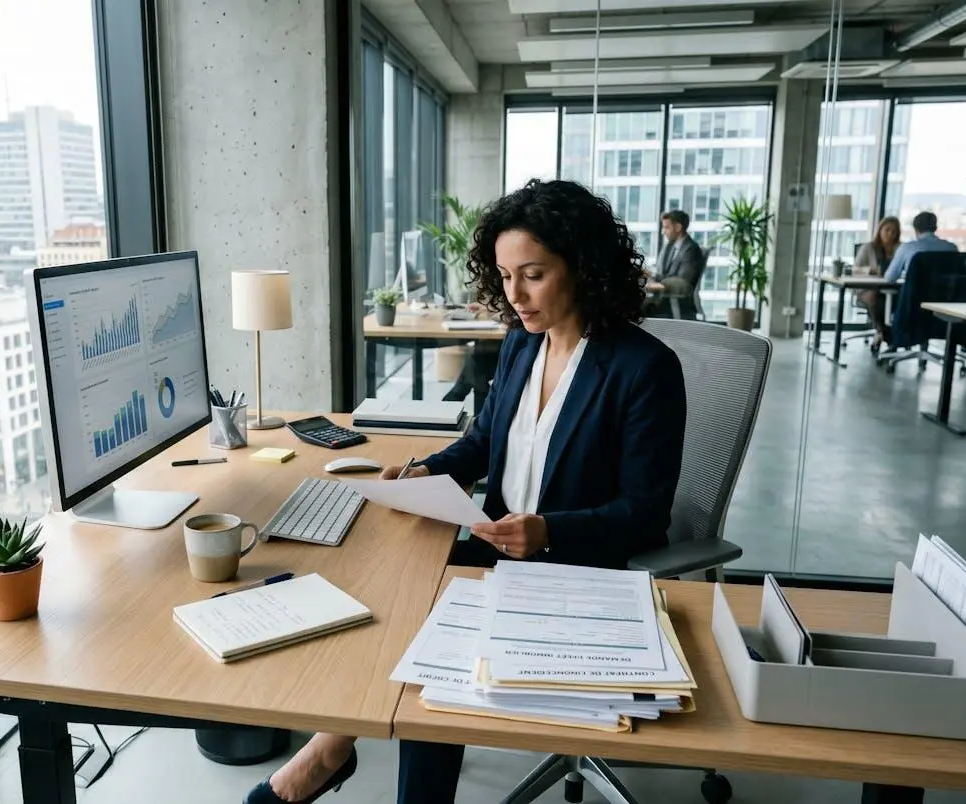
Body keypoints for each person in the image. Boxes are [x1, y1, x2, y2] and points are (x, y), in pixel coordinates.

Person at [244, 179, 687, 804]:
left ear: (582, 268)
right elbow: (482, 444)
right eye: (505, 276)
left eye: (532, 274)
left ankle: (323, 757)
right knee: (394, 594)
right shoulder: (521, 342)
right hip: (501, 550)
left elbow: (645, 515)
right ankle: (330, 745)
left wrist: (549, 529)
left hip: (580, 568)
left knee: (439, 659)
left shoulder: (644, 369)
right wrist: (426, 470)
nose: (516, 294)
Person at [852, 216, 902, 347]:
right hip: (867, 289)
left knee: (903, 298)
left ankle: (887, 333)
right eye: (887, 230)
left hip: (892, 288)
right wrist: (870, 270)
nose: (890, 234)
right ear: (880, 230)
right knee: (874, 296)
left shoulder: (900, 249)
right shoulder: (868, 247)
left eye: (894, 232)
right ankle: (883, 332)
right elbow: (855, 268)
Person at [648, 209, 706, 318]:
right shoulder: (669, 247)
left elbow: (683, 280)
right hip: (665, 297)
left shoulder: (692, 249)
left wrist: (655, 277)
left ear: (678, 227)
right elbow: (662, 271)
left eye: (666, 227)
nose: (663, 231)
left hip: (676, 303)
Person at [883, 210, 958, 283]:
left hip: (915, 295)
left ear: (915, 229)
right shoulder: (952, 248)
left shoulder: (907, 248)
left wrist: (907, 274)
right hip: (946, 294)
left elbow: (890, 278)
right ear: (935, 228)